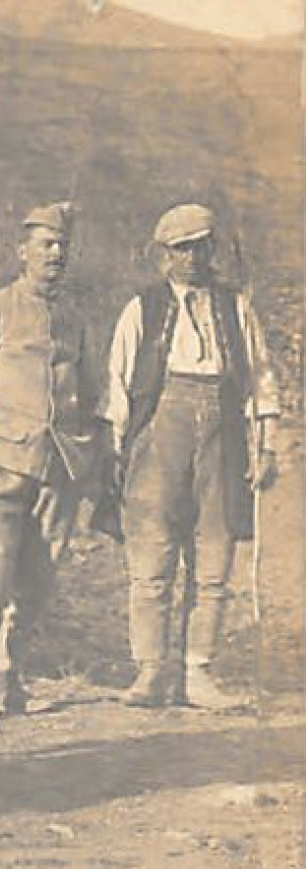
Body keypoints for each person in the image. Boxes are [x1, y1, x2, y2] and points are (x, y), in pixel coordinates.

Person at [100, 203, 280, 710]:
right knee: (152, 558)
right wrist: (114, 453)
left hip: (221, 440)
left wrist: (265, 448)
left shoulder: (235, 307)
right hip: (156, 437)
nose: (194, 257)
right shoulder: (142, 308)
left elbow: (262, 378)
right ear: (164, 256)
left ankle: (198, 671)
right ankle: (151, 671)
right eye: (183, 248)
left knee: (213, 557)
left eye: (202, 246)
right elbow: (115, 383)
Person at [0, 202, 102, 720]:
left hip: (57, 473)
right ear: (22, 252)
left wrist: (87, 458)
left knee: (36, 585)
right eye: (46, 245)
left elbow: (92, 396)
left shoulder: (75, 321)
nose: (56, 254)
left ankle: (10, 681)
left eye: (63, 247)